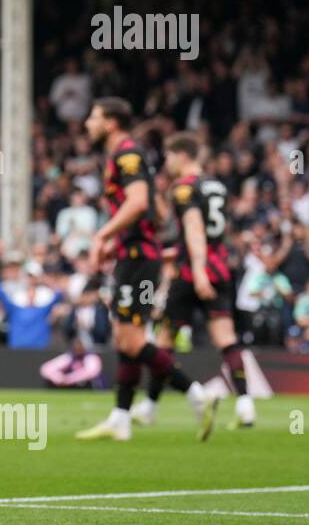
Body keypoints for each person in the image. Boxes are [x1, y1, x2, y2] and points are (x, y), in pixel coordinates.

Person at [77, 99, 210, 441]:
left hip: (139, 259)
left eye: (93, 117)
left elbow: (138, 203)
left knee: (132, 338)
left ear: (110, 123)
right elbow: (155, 212)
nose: (86, 123)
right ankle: (121, 417)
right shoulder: (122, 155)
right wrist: (114, 240)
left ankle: (196, 392)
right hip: (131, 254)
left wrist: (102, 234)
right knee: (125, 336)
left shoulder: (127, 155)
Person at [137, 133, 249, 429]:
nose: (167, 162)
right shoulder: (217, 186)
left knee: (164, 339)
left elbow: (195, 228)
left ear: (182, 156)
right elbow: (217, 232)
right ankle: (246, 405)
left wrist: (197, 269)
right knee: (226, 337)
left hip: (191, 272)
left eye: (169, 156)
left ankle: (149, 406)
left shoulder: (185, 188)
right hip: (221, 267)